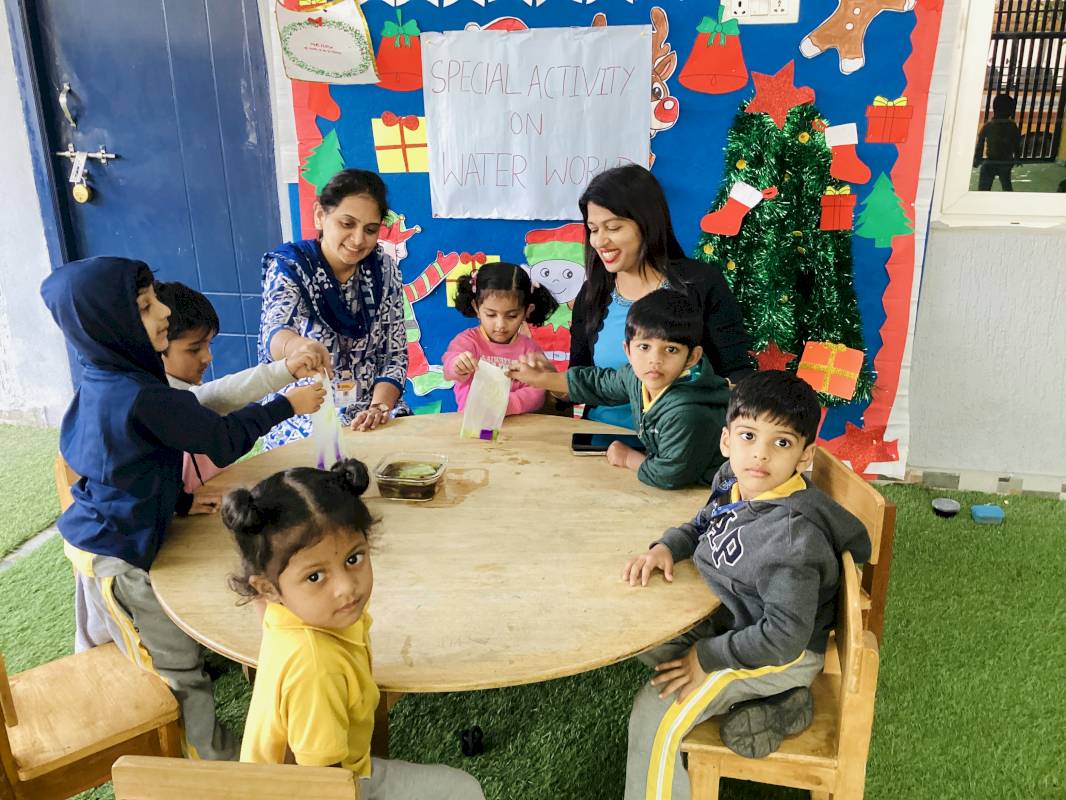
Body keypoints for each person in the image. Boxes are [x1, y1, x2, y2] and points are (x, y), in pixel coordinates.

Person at [40, 256, 325, 760]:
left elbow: (123, 463)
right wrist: (287, 405)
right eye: (145, 305)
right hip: (119, 558)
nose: (164, 312)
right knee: (175, 670)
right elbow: (221, 438)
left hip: (104, 536)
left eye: (156, 299)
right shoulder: (141, 394)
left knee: (161, 647)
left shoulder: (106, 375)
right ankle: (210, 763)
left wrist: (180, 499)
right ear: (111, 323)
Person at [619, 371, 871, 799]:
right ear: (726, 440)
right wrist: (668, 546)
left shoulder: (791, 540)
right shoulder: (732, 480)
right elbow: (703, 524)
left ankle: (780, 689)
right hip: (737, 620)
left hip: (781, 653)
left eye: (782, 443)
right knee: (639, 632)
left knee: (655, 715)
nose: (760, 454)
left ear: (805, 456)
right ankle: (780, 704)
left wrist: (707, 657)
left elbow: (784, 639)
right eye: (749, 436)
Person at [224, 458, 486, 800]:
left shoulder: (287, 610)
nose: (346, 587)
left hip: (311, 774)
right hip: (317, 788)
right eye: (315, 576)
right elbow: (324, 786)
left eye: (353, 558)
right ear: (269, 588)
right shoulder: (316, 668)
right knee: (462, 791)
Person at [570, 164, 752, 429]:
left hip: (683, 444)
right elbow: (579, 382)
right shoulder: (591, 294)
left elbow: (738, 374)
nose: (599, 241)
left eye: (613, 227)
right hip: (600, 443)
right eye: (593, 229)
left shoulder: (702, 284)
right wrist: (545, 381)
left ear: (647, 224)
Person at [508, 289, 730, 489]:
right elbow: (598, 385)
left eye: (670, 349)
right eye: (644, 347)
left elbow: (669, 474)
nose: (655, 360)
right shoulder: (637, 376)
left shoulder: (688, 412)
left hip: (712, 490)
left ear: (692, 357)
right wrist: (541, 378)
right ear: (628, 350)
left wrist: (628, 458)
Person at [260, 168, 409, 448]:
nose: (358, 239)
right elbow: (275, 331)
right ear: (320, 215)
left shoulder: (384, 270)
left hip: (370, 408)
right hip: (306, 410)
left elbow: (395, 354)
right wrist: (299, 347)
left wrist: (378, 408)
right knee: (328, 461)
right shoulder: (292, 267)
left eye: (370, 230)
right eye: (347, 224)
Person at [156, 281, 324, 493]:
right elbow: (214, 397)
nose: (208, 357)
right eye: (194, 349)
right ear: (156, 342)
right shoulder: (162, 401)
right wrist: (287, 402)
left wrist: (289, 370)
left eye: (209, 344)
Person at [442, 262, 558, 415]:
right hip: (476, 423)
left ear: (527, 311)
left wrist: (505, 404)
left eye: (512, 316)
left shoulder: (530, 349)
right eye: (491, 315)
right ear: (476, 307)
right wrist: (458, 366)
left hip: (520, 425)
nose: (500, 325)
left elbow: (537, 392)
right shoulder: (467, 342)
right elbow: (449, 368)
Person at [974, 93, 1022, 192]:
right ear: (1010, 111)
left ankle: (982, 197)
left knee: (983, 187)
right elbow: (1016, 143)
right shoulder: (1012, 126)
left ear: (995, 109)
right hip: (1006, 162)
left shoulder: (988, 125)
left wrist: (977, 159)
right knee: (1007, 185)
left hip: (991, 161)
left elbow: (980, 144)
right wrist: (1017, 157)